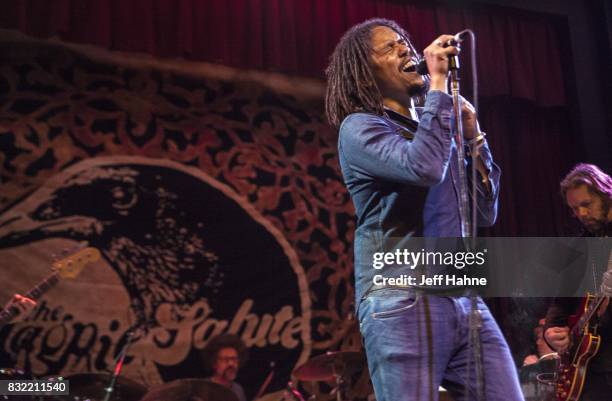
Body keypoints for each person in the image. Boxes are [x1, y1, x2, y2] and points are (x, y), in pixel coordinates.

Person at [325, 18, 522, 401]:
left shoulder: (434, 132)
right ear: (366, 72)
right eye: (389, 47)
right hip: (401, 297)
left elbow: (483, 213)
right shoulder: (361, 128)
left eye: (405, 42)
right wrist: (437, 88)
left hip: (462, 297)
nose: (406, 50)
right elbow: (424, 167)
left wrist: (474, 137)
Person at [544, 163, 612, 401]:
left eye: (586, 205)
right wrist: (552, 332)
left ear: (606, 194)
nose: (581, 214)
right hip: (591, 368)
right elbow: (560, 304)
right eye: (575, 209)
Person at [200, 334, 248, 401]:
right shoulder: (202, 389)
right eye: (226, 359)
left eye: (234, 359)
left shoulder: (238, 390)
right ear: (214, 363)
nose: (231, 363)